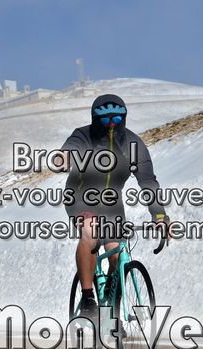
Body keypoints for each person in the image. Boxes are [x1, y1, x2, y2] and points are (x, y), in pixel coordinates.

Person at [60, 94, 169, 320]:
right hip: (80, 196)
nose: (111, 124)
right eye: (104, 119)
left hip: (111, 202)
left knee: (117, 255)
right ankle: (88, 298)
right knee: (90, 234)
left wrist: (159, 215)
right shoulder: (84, 135)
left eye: (117, 119)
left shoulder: (133, 144)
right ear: (94, 119)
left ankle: (111, 311)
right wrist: (65, 157)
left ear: (124, 119)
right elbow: (70, 148)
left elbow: (148, 182)